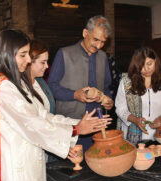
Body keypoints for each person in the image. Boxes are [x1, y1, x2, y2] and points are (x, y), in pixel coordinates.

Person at [0, 29, 110, 181]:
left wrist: (80, 123)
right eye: (23, 55)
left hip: (31, 159)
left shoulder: (17, 82)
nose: (28, 61)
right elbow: (33, 124)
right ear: (6, 54)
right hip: (16, 164)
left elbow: (44, 116)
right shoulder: (3, 86)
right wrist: (76, 130)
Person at [47, 15, 114, 152]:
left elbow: (106, 87)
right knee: (73, 168)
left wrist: (108, 100)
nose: (99, 46)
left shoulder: (102, 57)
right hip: (72, 124)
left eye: (103, 42)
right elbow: (51, 87)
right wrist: (74, 95)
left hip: (97, 123)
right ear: (85, 33)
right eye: (96, 39)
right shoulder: (64, 54)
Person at [115, 47, 161, 145]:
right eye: (141, 66)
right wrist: (135, 119)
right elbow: (120, 108)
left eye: (149, 64)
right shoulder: (127, 82)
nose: (146, 69)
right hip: (132, 136)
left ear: (155, 61)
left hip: (160, 135)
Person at [28, 40, 55, 114]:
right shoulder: (21, 86)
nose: (47, 66)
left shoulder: (40, 81)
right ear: (30, 62)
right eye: (43, 62)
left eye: (47, 62)